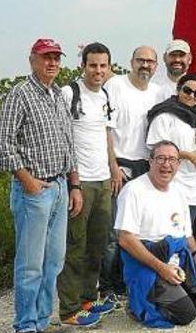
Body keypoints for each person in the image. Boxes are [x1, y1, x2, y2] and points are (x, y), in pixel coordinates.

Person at [0, 38, 84, 332]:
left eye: (56, 57)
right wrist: (27, 180)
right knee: (31, 265)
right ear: (32, 60)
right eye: (46, 57)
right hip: (34, 192)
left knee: (53, 263)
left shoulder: (57, 95)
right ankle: (26, 325)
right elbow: (0, 142)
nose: (52, 62)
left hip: (58, 189)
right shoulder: (21, 93)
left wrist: (74, 185)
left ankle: (42, 321)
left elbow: (69, 144)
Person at [115, 141, 196, 327]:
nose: (166, 164)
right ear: (150, 161)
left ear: (178, 164)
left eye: (172, 159)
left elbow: (187, 235)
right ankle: (138, 303)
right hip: (149, 262)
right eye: (161, 158)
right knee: (186, 314)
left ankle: (176, 292)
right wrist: (161, 269)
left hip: (178, 259)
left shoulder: (179, 192)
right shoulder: (133, 190)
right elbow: (125, 239)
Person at [57, 43, 119, 326]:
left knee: (97, 243)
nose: (98, 70)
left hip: (103, 179)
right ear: (83, 65)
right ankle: (69, 310)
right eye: (92, 65)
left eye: (103, 66)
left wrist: (114, 168)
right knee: (75, 244)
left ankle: (86, 300)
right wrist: (74, 184)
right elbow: (62, 139)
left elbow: (106, 134)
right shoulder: (70, 93)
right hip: (80, 182)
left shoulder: (105, 95)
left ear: (109, 67)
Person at [100, 46, 162, 298]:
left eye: (150, 61)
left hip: (146, 166)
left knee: (139, 229)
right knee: (115, 232)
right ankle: (107, 286)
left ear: (156, 66)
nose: (145, 65)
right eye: (140, 60)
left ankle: (128, 282)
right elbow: (106, 130)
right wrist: (113, 168)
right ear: (131, 62)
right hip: (120, 165)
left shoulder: (158, 93)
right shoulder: (115, 86)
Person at [146, 73, 196, 259]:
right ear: (178, 90)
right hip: (173, 183)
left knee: (187, 233)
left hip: (194, 186)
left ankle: (183, 274)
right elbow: (155, 146)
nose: (192, 96)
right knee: (169, 231)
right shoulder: (165, 114)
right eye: (187, 90)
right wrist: (186, 155)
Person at [150, 39, 196, 133]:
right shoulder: (154, 86)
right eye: (173, 55)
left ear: (190, 58)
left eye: (181, 55)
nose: (177, 60)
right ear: (164, 58)